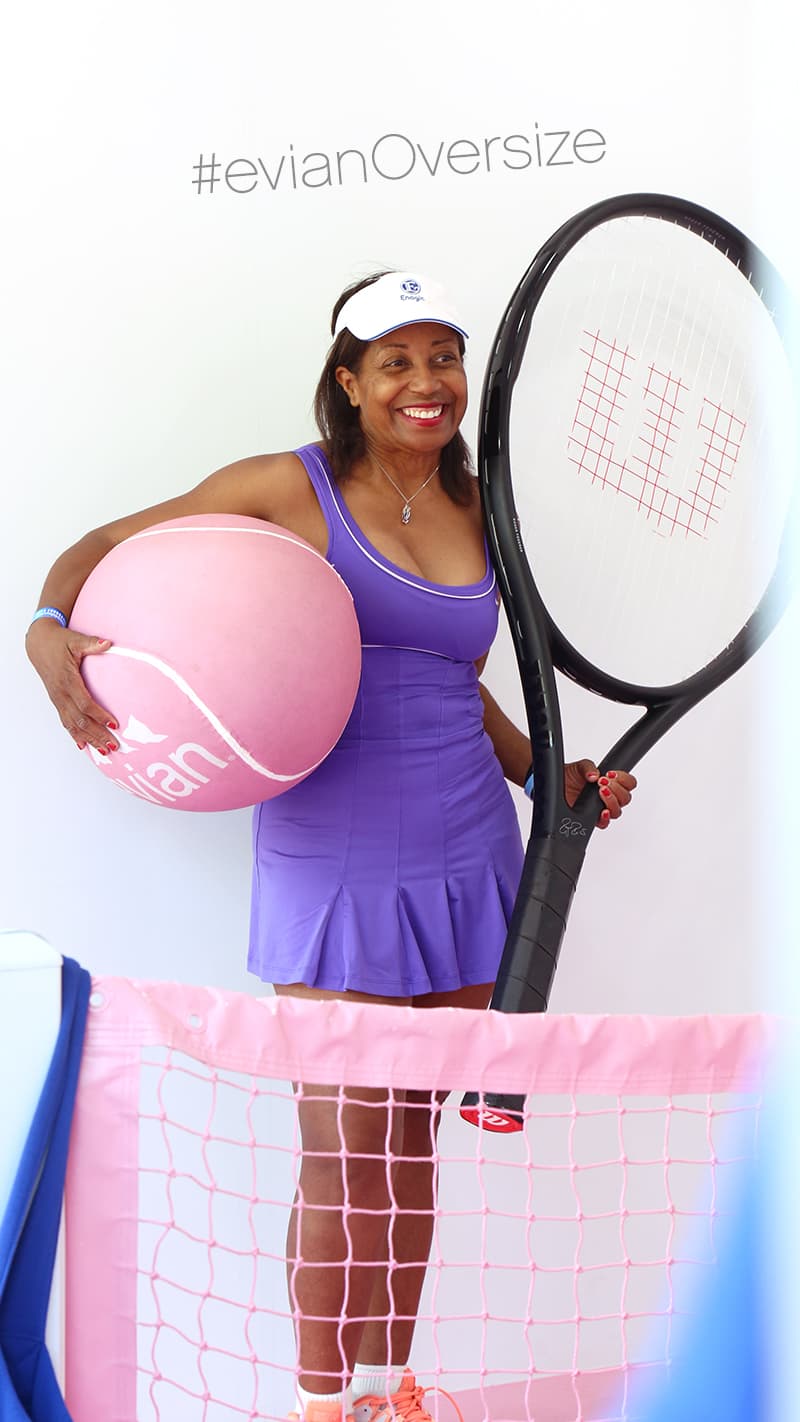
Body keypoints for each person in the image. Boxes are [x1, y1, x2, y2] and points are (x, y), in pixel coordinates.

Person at [26, 271, 637, 1422]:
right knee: (340, 1153)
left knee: (411, 1152)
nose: (424, 383)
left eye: (440, 356)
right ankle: (316, 1403)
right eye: (393, 361)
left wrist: (538, 778)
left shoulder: (478, 503)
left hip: (467, 846)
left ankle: (384, 1388)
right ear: (348, 381)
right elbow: (104, 542)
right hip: (330, 852)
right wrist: (48, 627)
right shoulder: (284, 488)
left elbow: (454, 678)